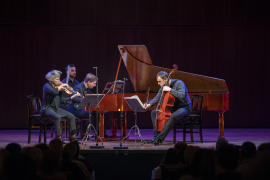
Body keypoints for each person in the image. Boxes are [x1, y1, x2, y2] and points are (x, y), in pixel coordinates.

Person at [144, 71, 192, 145]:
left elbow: (182, 95)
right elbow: (157, 98)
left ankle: (160, 138)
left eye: (159, 81)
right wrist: (149, 105)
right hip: (173, 108)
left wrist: (170, 90)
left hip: (184, 107)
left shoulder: (179, 83)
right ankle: (155, 136)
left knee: (172, 116)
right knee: (154, 112)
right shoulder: (163, 87)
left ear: (165, 79)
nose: (158, 83)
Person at [41, 70, 81, 144]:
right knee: (57, 117)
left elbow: (63, 101)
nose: (59, 81)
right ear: (51, 79)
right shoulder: (47, 86)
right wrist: (61, 86)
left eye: (59, 79)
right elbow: (53, 91)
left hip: (56, 109)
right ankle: (58, 138)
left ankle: (73, 138)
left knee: (71, 116)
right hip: (47, 109)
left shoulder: (59, 89)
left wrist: (74, 96)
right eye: (57, 79)